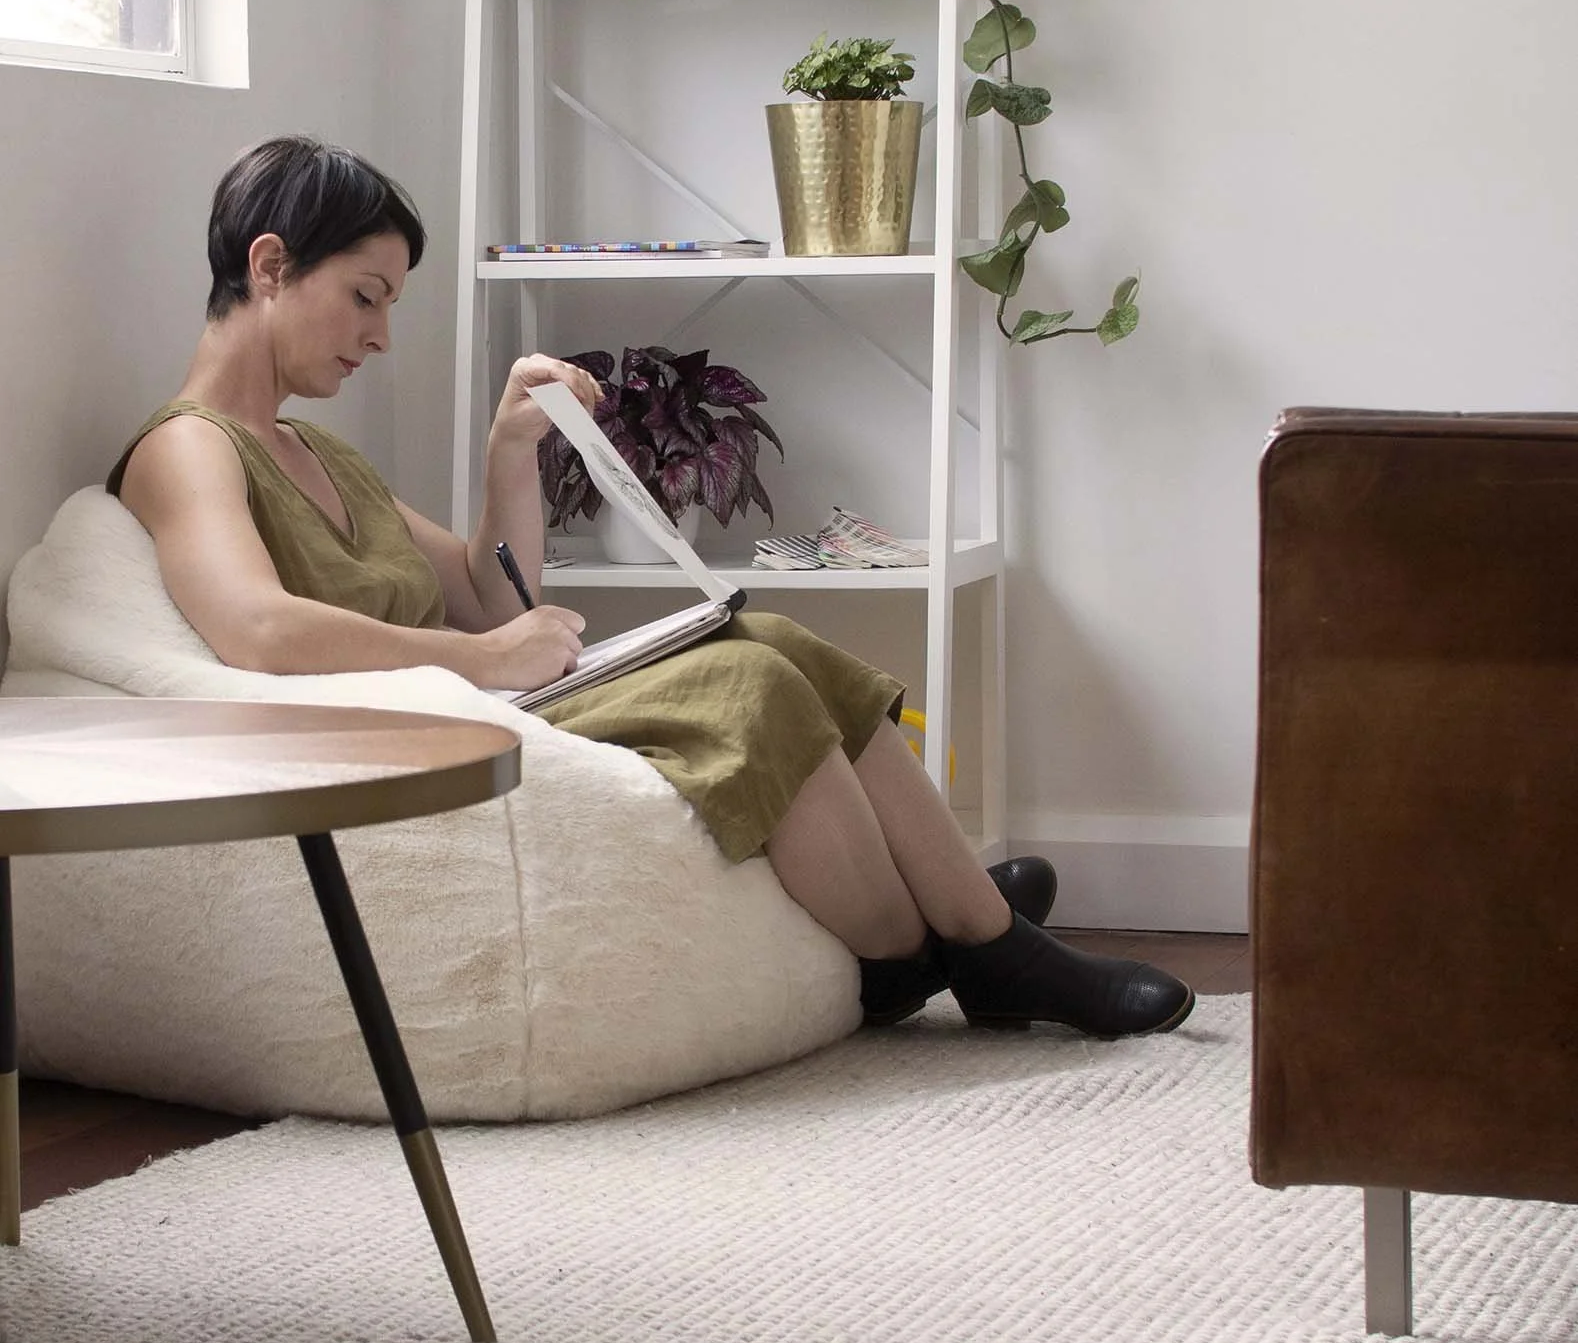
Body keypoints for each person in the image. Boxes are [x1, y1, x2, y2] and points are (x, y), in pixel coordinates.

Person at [110, 136, 1194, 1040]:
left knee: (772, 635)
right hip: (429, 721)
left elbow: (492, 594)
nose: (381, 334)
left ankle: (980, 936)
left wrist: (508, 449)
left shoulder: (323, 455)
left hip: (486, 692)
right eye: (364, 297)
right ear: (268, 264)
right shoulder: (189, 450)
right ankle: (949, 951)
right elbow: (256, 627)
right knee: (748, 690)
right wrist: (486, 660)